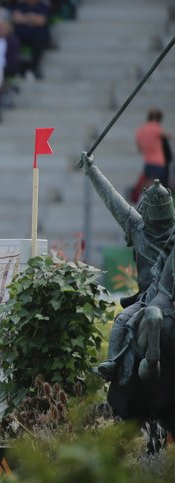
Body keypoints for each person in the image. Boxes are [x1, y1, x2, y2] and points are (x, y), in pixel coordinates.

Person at [80, 152, 175, 382]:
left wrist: (91, 169)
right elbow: (112, 197)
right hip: (154, 297)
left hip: (149, 298)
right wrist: (92, 170)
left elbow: (111, 199)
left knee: (122, 320)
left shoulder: (136, 226)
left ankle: (113, 362)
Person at [136, 108, 170, 189]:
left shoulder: (140, 130)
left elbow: (140, 148)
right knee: (159, 188)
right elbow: (167, 136)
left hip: (148, 163)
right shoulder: (156, 127)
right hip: (159, 163)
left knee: (148, 187)